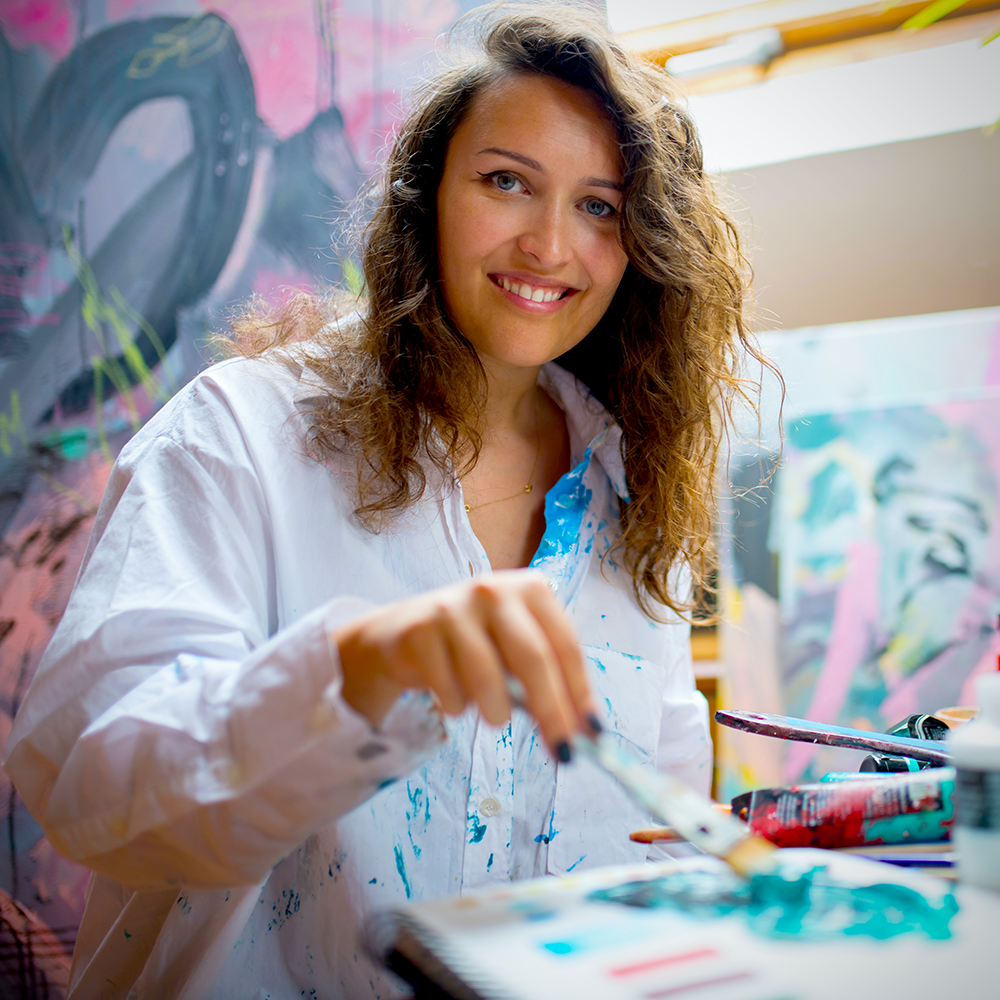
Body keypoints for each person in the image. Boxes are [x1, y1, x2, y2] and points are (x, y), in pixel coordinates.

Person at [4, 6, 767, 998]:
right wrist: (354, 668)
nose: (549, 244)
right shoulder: (239, 435)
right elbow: (93, 791)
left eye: (599, 206)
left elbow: (655, 846)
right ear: (427, 195)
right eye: (506, 181)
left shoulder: (636, 494)